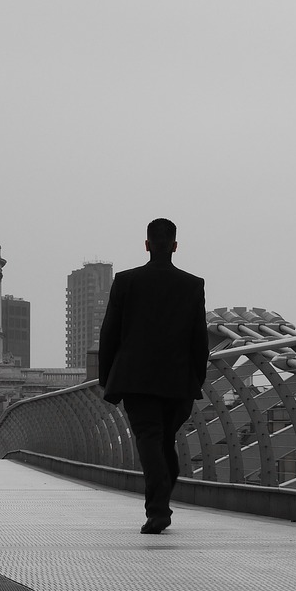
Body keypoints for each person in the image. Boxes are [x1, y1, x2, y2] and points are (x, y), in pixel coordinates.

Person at [98, 218, 210, 534]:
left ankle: (158, 510)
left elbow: (110, 334)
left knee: (150, 439)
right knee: (163, 441)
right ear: (175, 246)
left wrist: (107, 378)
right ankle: (159, 506)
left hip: (136, 380)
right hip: (178, 382)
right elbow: (200, 340)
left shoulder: (125, 281)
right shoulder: (193, 284)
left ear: (147, 245)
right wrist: (196, 380)